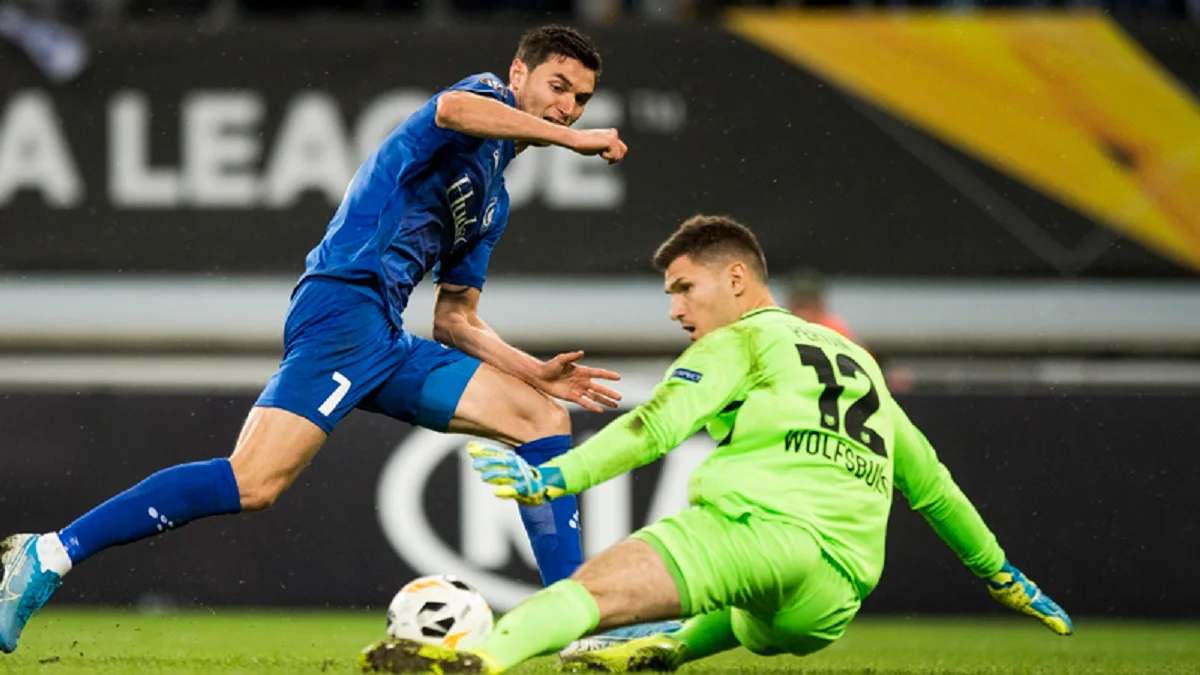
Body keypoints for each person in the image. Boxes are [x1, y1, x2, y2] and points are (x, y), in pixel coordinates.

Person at [0, 24, 635, 654]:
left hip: (385, 333)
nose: (567, 107)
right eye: (557, 87)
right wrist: (571, 139)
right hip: (343, 307)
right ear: (519, 74)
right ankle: (49, 553)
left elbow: (455, 319)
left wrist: (532, 370)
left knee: (540, 415)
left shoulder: (493, 201)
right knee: (253, 482)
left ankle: (573, 623)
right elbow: (452, 109)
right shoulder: (481, 99)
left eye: (580, 100)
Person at [357, 214, 1073, 675]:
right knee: (755, 616)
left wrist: (553, 478)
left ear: (736, 278)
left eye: (683, 288)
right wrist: (1002, 574)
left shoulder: (742, 340)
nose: (674, 309)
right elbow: (932, 484)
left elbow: (653, 428)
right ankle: (668, 645)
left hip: (761, 533)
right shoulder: (859, 364)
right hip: (833, 600)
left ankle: (475, 660)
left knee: (589, 592)